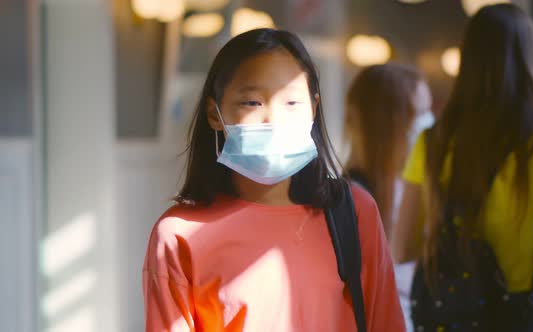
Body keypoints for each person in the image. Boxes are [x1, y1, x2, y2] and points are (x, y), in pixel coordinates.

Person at [142, 28, 405, 332]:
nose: (274, 120)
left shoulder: (353, 211)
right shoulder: (178, 235)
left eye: (291, 103)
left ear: (314, 108)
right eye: (252, 103)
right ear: (215, 114)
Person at [394, 4, 533, 331]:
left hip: (450, 312)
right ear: (530, 62)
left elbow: (403, 248)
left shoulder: (432, 143)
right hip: (522, 312)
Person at [344, 62, 434, 331]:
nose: (430, 124)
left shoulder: (418, 188)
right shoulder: (351, 198)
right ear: (389, 121)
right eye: (420, 113)